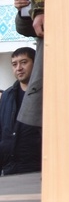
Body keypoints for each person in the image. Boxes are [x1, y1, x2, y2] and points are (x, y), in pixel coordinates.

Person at [0, 46, 40, 175]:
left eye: (24, 62)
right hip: (9, 168)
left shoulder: (44, 94)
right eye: (14, 64)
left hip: (35, 168)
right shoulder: (7, 95)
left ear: (36, 64)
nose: (19, 68)